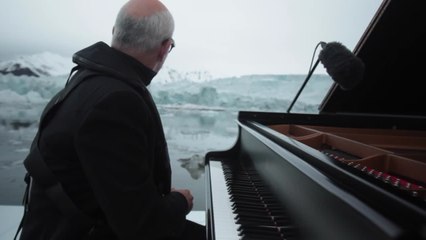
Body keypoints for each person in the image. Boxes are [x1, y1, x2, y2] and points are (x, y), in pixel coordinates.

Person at [16, 0, 206, 239]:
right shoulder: (116, 102)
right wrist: (180, 201)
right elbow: (142, 228)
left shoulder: (90, 80)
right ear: (164, 47)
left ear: (115, 33)